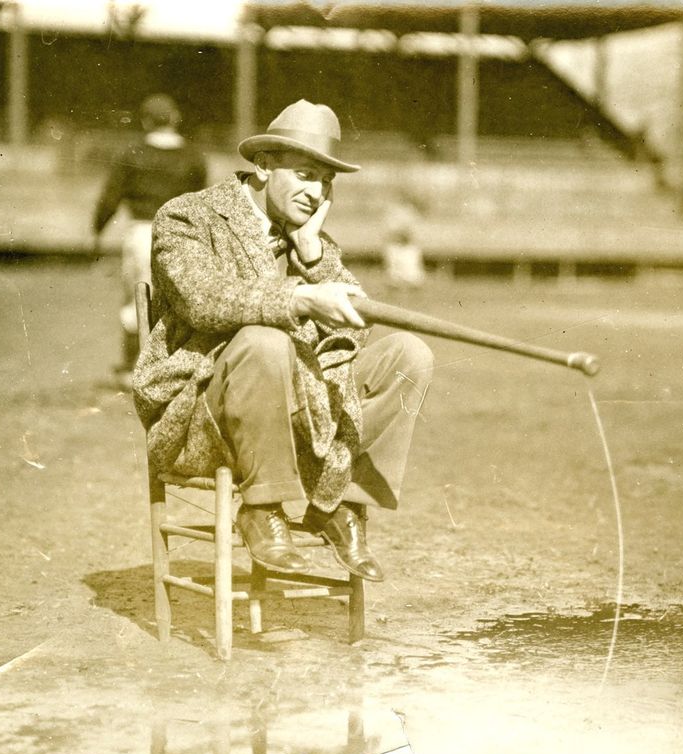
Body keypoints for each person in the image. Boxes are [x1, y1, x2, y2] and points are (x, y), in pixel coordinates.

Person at [132, 100, 434, 582]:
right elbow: (203, 301)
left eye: (326, 181)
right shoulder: (188, 217)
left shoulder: (312, 238)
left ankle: (339, 504)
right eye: (304, 174)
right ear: (263, 164)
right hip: (204, 413)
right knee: (263, 341)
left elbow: (354, 334)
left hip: (298, 414)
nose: (316, 193)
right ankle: (261, 507)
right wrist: (302, 297)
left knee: (408, 356)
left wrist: (314, 257)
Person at [93, 93, 207, 384]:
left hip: (143, 231)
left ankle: (133, 366)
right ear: (175, 118)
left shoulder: (132, 154)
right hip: (183, 232)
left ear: (145, 121)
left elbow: (110, 198)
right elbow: (202, 200)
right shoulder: (192, 156)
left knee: (137, 297)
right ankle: (175, 364)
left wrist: (98, 228)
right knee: (179, 297)